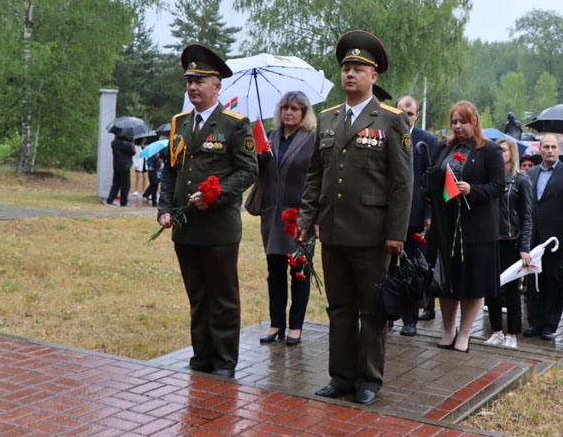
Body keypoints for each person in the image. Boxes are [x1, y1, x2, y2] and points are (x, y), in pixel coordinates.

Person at [297, 30, 412, 406]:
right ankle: (341, 376)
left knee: (371, 309)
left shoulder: (391, 121)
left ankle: (368, 379)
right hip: (333, 229)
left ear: (373, 77)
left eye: (359, 69)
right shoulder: (328, 119)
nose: (350, 74)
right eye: (346, 68)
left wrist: (396, 233)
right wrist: (305, 218)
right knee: (340, 307)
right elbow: (316, 174)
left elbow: (401, 183)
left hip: (372, 233)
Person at [157, 43, 259, 379]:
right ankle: (201, 355)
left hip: (218, 228)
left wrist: (216, 196)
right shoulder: (179, 123)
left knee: (222, 297)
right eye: (189, 81)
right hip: (186, 228)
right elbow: (170, 170)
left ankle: (224, 361)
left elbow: (248, 171)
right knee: (197, 294)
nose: (192, 87)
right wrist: (165, 208)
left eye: (200, 81)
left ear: (217, 86)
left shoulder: (235, 124)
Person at [426, 101, 504, 352]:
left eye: (463, 122)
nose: (458, 127)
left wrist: (472, 190)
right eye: (454, 122)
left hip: (477, 228)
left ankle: (465, 334)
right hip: (445, 226)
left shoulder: (489, 150)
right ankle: (448, 331)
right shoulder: (443, 147)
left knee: (473, 282)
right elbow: (433, 176)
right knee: (447, 282)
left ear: (475, 122)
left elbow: (498, 187)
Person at [255, 91, 317, 346]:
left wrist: (313, 216)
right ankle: (276, 323)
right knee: (274, 272)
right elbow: (257, 174)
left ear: (304, 113)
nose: (288, 112)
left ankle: (296, 326)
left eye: (294, 108)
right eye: (284, 108)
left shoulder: (312, 139)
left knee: (299, 271)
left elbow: (317, 178)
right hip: (273, 215)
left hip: (300, 215)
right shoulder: (270, 137)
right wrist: (260, 155)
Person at [523, 134, 563, 340]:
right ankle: (534, 323)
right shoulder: (530, 173)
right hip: (533, 237)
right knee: (533, 281)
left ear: (559, 150)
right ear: (539, 149)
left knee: (553, 282)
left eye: (553, 147)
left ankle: (549, 325)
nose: (549, 150)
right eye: (546, 147)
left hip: (557, 240)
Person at [395, 95, 438, 335]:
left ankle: (410, 319)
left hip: (416, 214)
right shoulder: (386, 135)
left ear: (416, 115)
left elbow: (431, 179)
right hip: (389, 214)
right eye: (401, 112)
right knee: (388, 267)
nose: (405, 117)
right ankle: (388, 312)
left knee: (411, 268)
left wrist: (429, 213)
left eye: (409, 113)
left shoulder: (427, 140)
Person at [484, 137, 532, 349]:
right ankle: (496, 331)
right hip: (490, 239)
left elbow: (527, 216)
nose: (498, 153)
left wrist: (525, 247)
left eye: (502, 150)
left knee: (512, 290)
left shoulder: (521, 180)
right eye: (496, 150)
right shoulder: (490, 178)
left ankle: (512, 334)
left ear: (511, 153)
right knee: (491, 288)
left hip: (512, 241)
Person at [105, 134, 135, 206]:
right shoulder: (126, 144)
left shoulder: (114, 142)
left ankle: (110, 200)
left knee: (116, 183)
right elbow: (133, 152)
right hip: (125, 165)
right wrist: (132, 144)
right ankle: (123, 202)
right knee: (125, 185)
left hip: (116, 165)